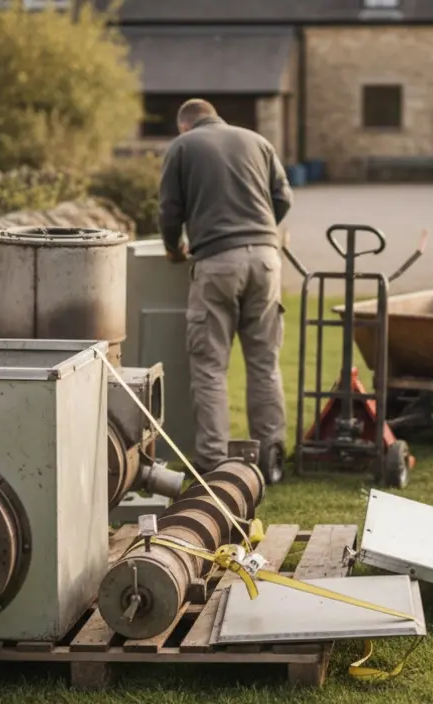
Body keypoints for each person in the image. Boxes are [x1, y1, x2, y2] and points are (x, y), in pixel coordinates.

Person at [158, 98, 293, 482]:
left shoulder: (182, 148)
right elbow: (284, 198)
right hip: (267, 260)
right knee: (265, 363)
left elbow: (169, 209)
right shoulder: (257, 140)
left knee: (210, 366)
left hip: (217, 262)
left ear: (184, 125)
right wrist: (262, 230)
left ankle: (214, 463)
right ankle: (271, 459)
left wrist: (173, 249)